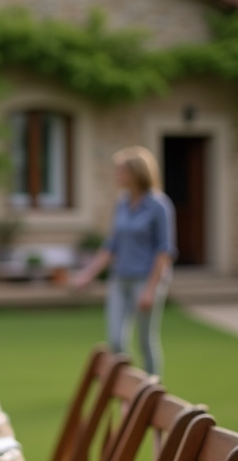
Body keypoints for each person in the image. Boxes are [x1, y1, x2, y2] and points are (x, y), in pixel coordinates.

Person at [73, 146, 176, 376]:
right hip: (120, 278)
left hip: (145, 279)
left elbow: (165, 250)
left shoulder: (159, 205)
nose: (116, 175)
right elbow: (112, 245)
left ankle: (152, 391)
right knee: (116, 340)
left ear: (136, 173)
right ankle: (126, 391)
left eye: (121, 170)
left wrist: (151, 289)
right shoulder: (121, 203)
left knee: (145, 341)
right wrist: (88, 273)